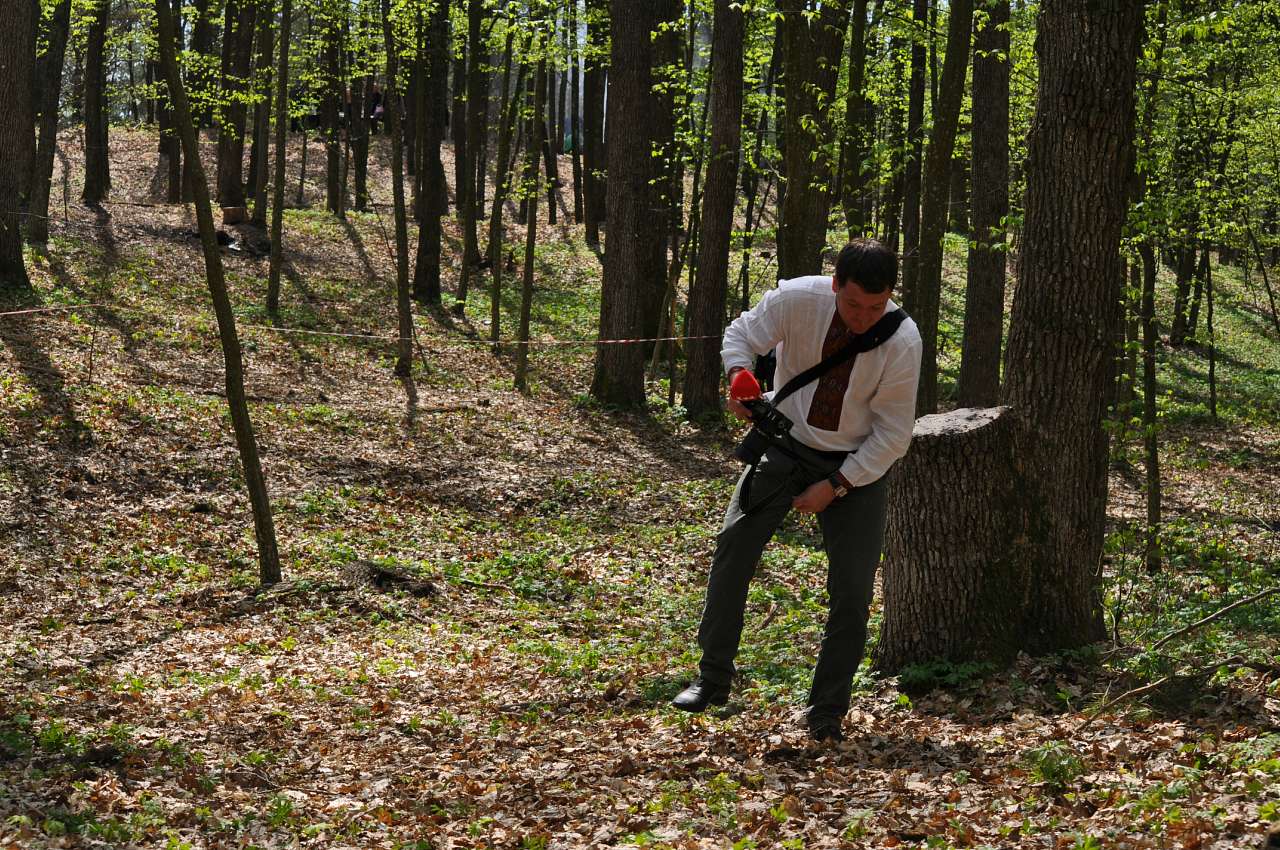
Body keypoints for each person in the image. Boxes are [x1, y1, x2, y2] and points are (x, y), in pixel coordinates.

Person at [671, 238, 923, 743]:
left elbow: (893, 435)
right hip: (782, 445)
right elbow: (740, 334)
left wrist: (836, 485)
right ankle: (712, 679)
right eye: (853, 304)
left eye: (876, 306)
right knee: (733, 550)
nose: (863, 316)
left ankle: (827, 710)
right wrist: (739, 376)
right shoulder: (797, 300)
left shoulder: (902, 341)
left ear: (891, 296)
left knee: (851, 592)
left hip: (857, 468)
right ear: (835, 286)